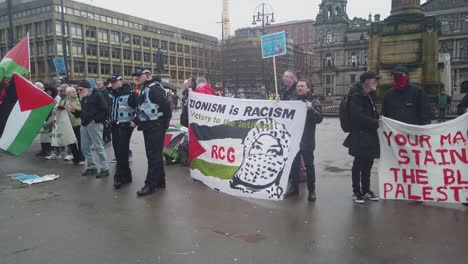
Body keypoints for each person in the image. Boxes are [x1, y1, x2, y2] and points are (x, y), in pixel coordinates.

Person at [133, 68, 172, 196]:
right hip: (149, 126)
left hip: (156, 126)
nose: (137, 78)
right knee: (155, 156)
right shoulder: (146, 87)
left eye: (139, 75)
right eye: (136, 76)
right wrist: (137, 121)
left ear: (148, 76)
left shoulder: (154, 88)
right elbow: (144, 108)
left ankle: (150, 184)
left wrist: (164, 124)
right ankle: (160, 181)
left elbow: (166, 107)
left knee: (153, 156)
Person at [344, 71, 381, 204]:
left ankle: (366, 190)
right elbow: (357, 117)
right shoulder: (356, 95)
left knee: (368, 163)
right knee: (358, 164)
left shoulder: (369, 94)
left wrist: (378, 118)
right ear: (366, 81)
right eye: (374, 79)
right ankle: (356, 192)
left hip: (369, 134)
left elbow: (372, 113)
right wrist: (376, 123)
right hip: (359, 135)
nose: (376, 81)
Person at [284, 79, 323, 201]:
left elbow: (319, 119)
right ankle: (294, 188)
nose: (299, 88)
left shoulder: (314, 101)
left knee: (309, 166)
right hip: (295, 140)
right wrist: (277, 104)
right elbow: (283, 115)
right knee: (294, 165)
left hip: (307, 140)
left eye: (302, 86)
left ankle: (312, 191)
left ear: (308, 89)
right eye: (298, 86)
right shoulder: (292, 101)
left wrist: (311, 109)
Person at [108, 74, 138, 189]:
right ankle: (126, 176)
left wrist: (136, 121)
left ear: (121, 81)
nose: (112, 84)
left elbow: (140, 107)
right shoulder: (112, 93)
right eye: (111, 82)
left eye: (114, 82)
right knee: (118, 151)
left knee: (121, 151)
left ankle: (119, 177)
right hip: (114, 126)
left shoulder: (130, 94)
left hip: (125, 126)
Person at [74, 80, 110, 178]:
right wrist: (75, 112)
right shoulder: (84, 98)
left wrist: (96, 120)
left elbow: (105, 109)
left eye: (80, 89)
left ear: (89, 89)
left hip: (94, 124)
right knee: (84, 147)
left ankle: (104, 168)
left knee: (98, 146)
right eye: (78, 90)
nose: (79, 91)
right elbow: (84, 112)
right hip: (85, 123)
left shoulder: (97, 95)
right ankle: (91, 167)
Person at [63, 87, 85, 165]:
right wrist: (55, 110)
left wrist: (74, 110)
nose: (74, 93)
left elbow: (82, 110)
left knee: (80, 141)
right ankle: (76, 158)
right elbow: (60, 107)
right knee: (71, 142)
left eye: (75, 92)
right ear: (68, 94)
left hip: (78, 124)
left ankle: (82, 157)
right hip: (69, 124)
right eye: (72, 92)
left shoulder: (80, 99)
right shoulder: (65, 100)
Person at [97, 79, 112, 144]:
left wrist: (107, 113)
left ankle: (107, 138)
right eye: (97, 84)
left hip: (104, 112)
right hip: (99, 112)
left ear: (102, 84)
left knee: (105, 126)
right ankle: (105, 139)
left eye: (99, 84)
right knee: (103, 127)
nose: (98, 85)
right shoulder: (97, 91)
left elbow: (108, 103)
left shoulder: (105, 91)